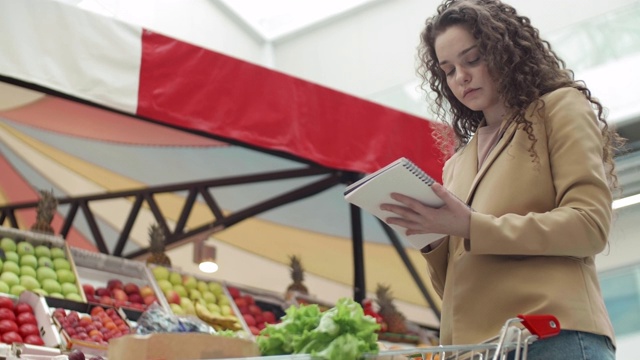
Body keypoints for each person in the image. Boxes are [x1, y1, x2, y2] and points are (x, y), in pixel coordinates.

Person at [379, 0, 625, 359]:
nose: (460, 77)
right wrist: (432, 237)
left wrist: (471, 226)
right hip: (478, 350)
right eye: (448, 70)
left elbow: (589, 226)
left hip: (551, 337)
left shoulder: (559, 108)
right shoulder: (458, 163)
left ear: (505, 52)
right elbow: (455, 286)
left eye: (473, 59)